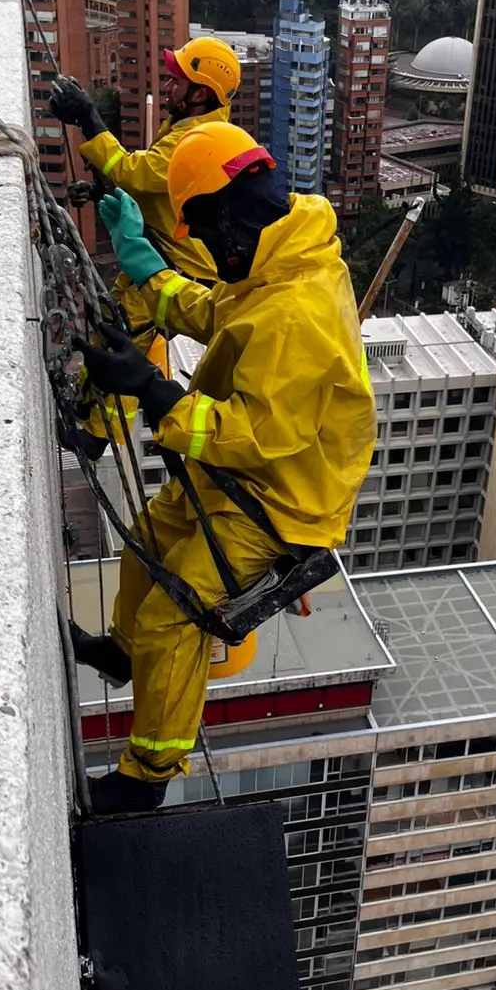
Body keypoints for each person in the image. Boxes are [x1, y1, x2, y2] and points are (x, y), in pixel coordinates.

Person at [72, 121, 377, 814]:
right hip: (251, 479)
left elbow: (256, 434)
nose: (207, 249)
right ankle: (124, 655)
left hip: (283, 504)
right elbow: (218, 311)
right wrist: (152, 280)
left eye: (205, 235)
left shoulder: (299, 310)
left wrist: (153, 391)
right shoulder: (285, 257)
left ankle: (144, 779)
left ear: (226, 216)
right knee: (147, 539)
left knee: (174, 616)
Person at [48, 36, 242, 454]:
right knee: (120, 329)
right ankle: (103, 414)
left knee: (122, 334)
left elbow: (132, 173)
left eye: (177, 80)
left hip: (179, 266)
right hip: (163, 253)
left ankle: (98, 436)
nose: (168, 87)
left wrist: (86, 116)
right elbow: (156, 196)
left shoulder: (200, 137)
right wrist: (101, 193)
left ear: (200, 93)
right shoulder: (187, 127)